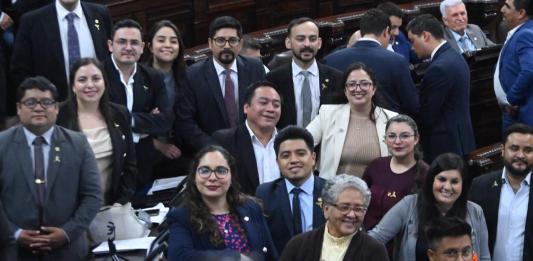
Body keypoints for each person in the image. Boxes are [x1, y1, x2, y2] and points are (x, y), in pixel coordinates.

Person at [0, 76, 101, 260]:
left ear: (56, 108)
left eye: (46, 102)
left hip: (68, 251)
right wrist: (14, 233)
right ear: (18, 108)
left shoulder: (78, 144)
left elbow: (93, 196)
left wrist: (66, 233)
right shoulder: (2, 145)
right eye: (30, 102)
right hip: (14, 251)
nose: (38, 108)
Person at [369, 153, 490, 261]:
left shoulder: (475, 211)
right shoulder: (409, 205)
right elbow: (373, 240)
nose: (447, 187)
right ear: (431, 180)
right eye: (442, 179)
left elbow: (484, 257)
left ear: (463, 184)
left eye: (454, 182)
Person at [166, 145, 278, 261]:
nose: (213, 178)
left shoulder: (251, 207)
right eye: (204, 171)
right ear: (194, 177)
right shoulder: (181, 216)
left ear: (231, 177)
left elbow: (271, 254)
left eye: (221, 170)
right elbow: (179, 257)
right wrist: (234, 258)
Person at [174, 16, 266, 155]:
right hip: (210, 151)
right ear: (210, 43)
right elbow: (185, 122)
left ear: (240, 44)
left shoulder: (255, 67)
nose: (227, 46)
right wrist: (213, 148)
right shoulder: (193, 75)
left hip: (253, 148)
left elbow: (264, 107)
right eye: (221, 40)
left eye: (232, 40)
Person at [57, 57, 136, 205]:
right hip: (69, 210)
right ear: (73, 86)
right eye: (82, 80)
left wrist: (121, 202)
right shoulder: (57, 116)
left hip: (112, 207)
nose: (90, 85)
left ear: (104, 83)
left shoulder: (120, 114)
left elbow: (130, 165)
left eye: (96, 78)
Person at [104, 19, 171, 190]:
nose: (128, 47)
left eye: (134, 43)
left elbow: (165, 121)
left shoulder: (152, 77)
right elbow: (100, 119)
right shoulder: (98, 75)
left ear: (142, 47)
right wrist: (145, 121)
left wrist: (125, 120)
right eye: (122, 42)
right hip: (108, 157)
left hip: (143, 159)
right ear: (111, 45)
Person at [306, 62, 397, 179]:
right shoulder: (327, 114)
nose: (357, 89)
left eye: (364, 84)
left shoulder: (391, 118)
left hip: (377, 194)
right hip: (334, 193)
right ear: (345, 90)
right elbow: (303, 142)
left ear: (374, 89)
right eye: (352, 84)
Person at [323, 9, 419, 117]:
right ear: (386, 31)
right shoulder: (397, 61)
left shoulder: (331, 60)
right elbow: (412, 105)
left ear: (361, 31)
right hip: (385, 127)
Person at [11, 0, 112, 101]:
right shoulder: (32, 21)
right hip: (53, 107)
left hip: (98, 103)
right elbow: (20, 70)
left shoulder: (99, 14)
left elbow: (110, 57)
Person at [407, 14, 475, 162]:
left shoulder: (439, 68)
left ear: (425, 36)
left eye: (412, 41)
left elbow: (428, 114)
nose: (411, 48)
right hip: (460, 139)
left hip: (445, 145)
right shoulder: (454, 55)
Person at [280, 174, 389, 260]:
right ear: (326, 209)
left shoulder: (374, 250)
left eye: (358, 209)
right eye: (344, 207)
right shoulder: (299, 245)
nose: (351, 215)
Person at [255, 126, 327, 254]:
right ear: (277, 162)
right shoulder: (265, 194)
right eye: (285, 155)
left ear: (313, 157)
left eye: (300, 153)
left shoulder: (330, 191)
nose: (293, 160)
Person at [469, 123, 533, 261]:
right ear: (503, 150)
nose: (520, 155)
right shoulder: (480, 186)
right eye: (514, 148)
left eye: (528, 150)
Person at [266, 17, 343, 129]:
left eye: (312, 39)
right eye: (300, 39)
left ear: (319, 43)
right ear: (288, 43)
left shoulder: (337, 78)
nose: (307, 44)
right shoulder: (273, 79)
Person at [213, 81, 282, 195]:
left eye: (276, 105)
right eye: (263, 103)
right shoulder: (225, 141)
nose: (271, 109)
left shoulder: (287, 140)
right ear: (246, 107)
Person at [362, 114, 428, 230]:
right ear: (385, 139)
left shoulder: (425, 174)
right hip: (367, 240)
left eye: (405, 136)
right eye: (391, 136)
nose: (397, 141)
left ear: (416, 139)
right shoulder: (375, 166)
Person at [144, 20, 189, 176]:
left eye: (173, 41)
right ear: (150, 46)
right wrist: (160, 146)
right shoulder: (138, 80)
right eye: (161, 40)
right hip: (150, 151)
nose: (167, 45)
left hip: (183, 146)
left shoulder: (186, 77)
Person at [494, 0, 533, 130]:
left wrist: (511, 99)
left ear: (521, 13)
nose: (502, 10)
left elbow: (529, 70)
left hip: (520, 114)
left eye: (507, 6)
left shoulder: (524, 34)